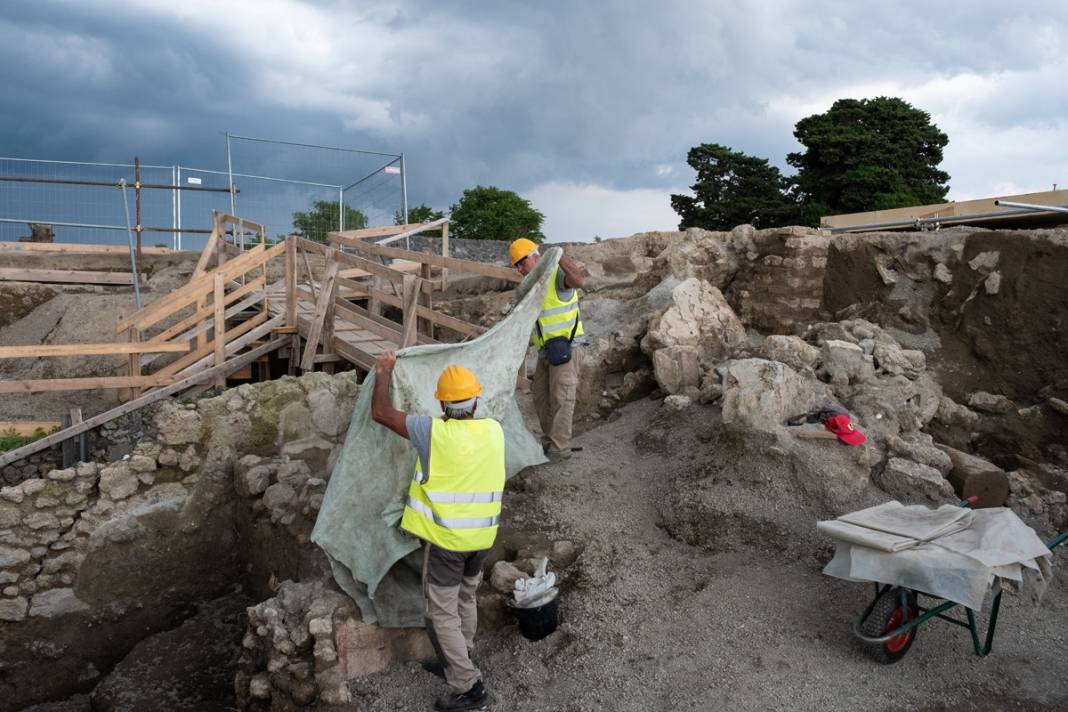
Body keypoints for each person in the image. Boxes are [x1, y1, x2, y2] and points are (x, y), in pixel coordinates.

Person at [371, 352, 504, 712]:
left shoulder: (433, 432)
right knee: (466, 597)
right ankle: (460, 657)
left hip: (448, 543)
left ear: (442, 403)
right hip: (482, 539)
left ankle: (468, 687)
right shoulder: (493, 430)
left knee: (440, 612)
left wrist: (384, 372)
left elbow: (381, 413)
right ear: (476, 401)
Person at [509, 237, 587, 461]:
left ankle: (560, 449)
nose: (519, 268)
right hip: (546, 351)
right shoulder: (530, 286)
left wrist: (560, 258)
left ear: (536, 256)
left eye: (522, 262)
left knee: (562, 397)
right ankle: (551, 439)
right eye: (516, 265)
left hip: (567, 347)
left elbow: (579, 280)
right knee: (540, 395)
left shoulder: (557, 275)